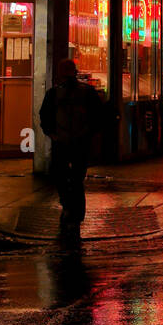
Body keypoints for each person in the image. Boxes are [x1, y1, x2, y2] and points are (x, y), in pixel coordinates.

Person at [39, 59, 105, 233]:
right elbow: (98, 115)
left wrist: (52, 134)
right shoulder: (87, 92)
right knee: (76, 177)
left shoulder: (54, 93)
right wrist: (90, 133)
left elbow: (44, 116)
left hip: (63, 141)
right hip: (79, 140)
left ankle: (69, 207)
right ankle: (75, 210)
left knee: (63, 175)